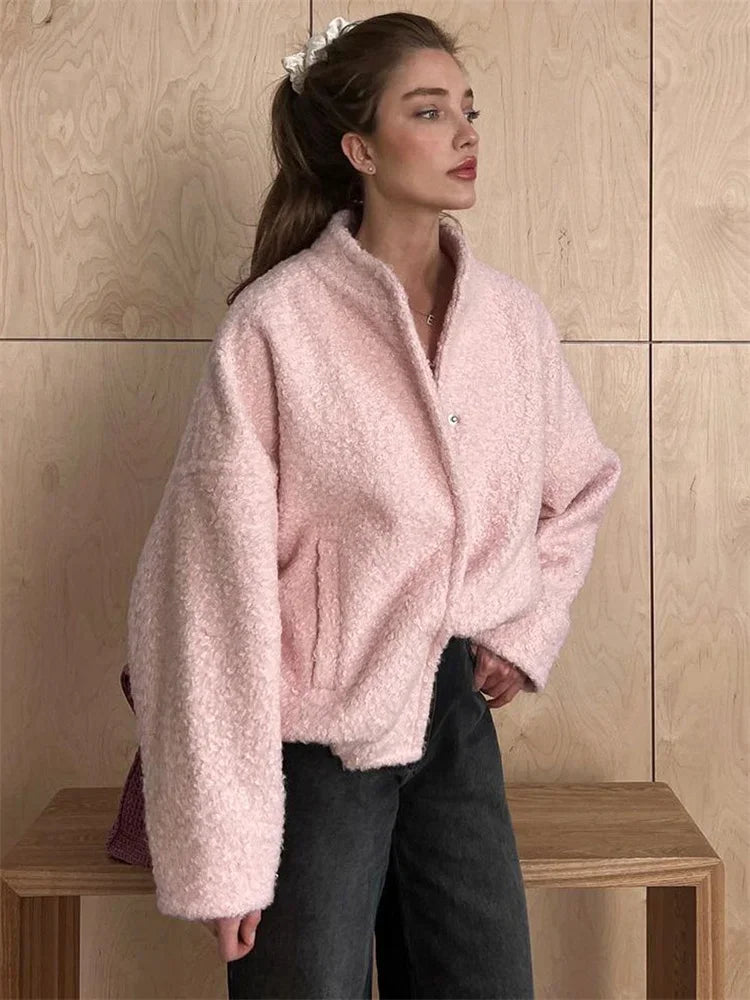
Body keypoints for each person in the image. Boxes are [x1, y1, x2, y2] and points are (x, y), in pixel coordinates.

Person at [119, 11, 622, 1000]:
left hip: (454, 721)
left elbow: (581, 483)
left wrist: (521, 629)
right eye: (428, 112)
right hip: (315, 738)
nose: (465, 133)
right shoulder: (276, 326)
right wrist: (227, 847)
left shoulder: (512, 323)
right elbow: (205, 594)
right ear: (360, 148)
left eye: (468, 109)